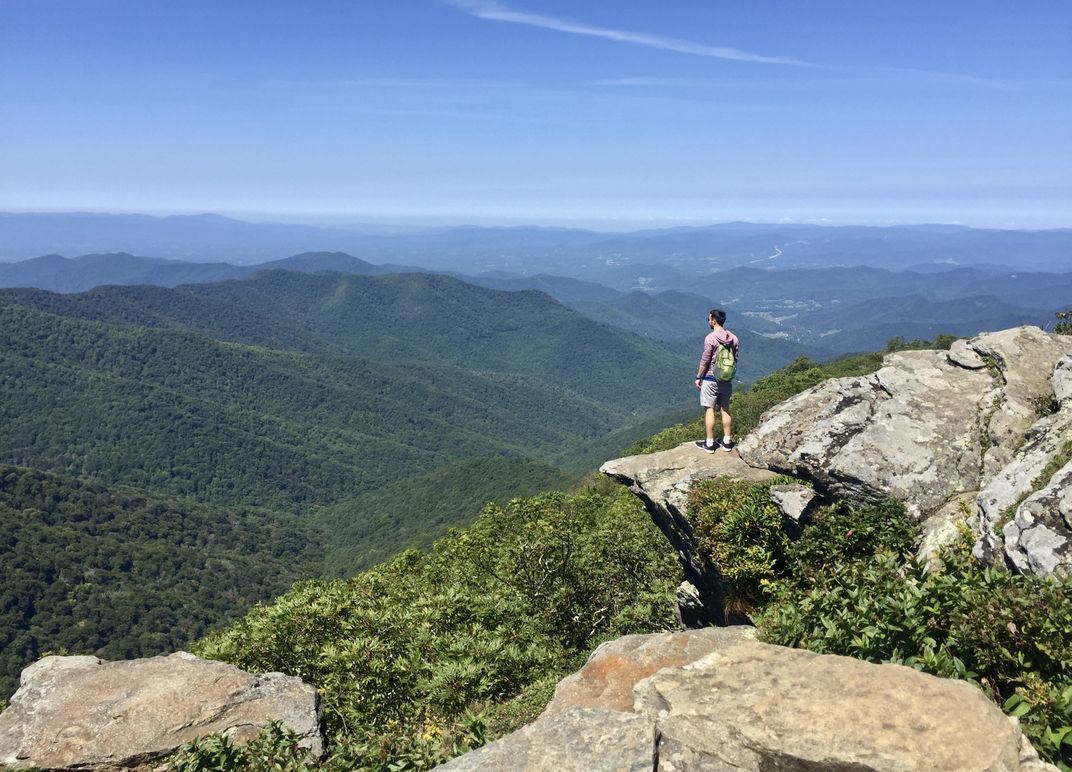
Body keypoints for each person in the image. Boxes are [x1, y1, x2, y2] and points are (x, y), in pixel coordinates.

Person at [694, 309, 739, 453]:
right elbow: (735, 358)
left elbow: (705, 360)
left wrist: (698, 377)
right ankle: (727, 442)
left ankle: (710, 443)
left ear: (713, 320)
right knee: (725, 408)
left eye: (709, 319)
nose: (708, 322)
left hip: (710, 378)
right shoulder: (733, 338)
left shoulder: (710, 338)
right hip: (726, 378)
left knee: (709, 409)